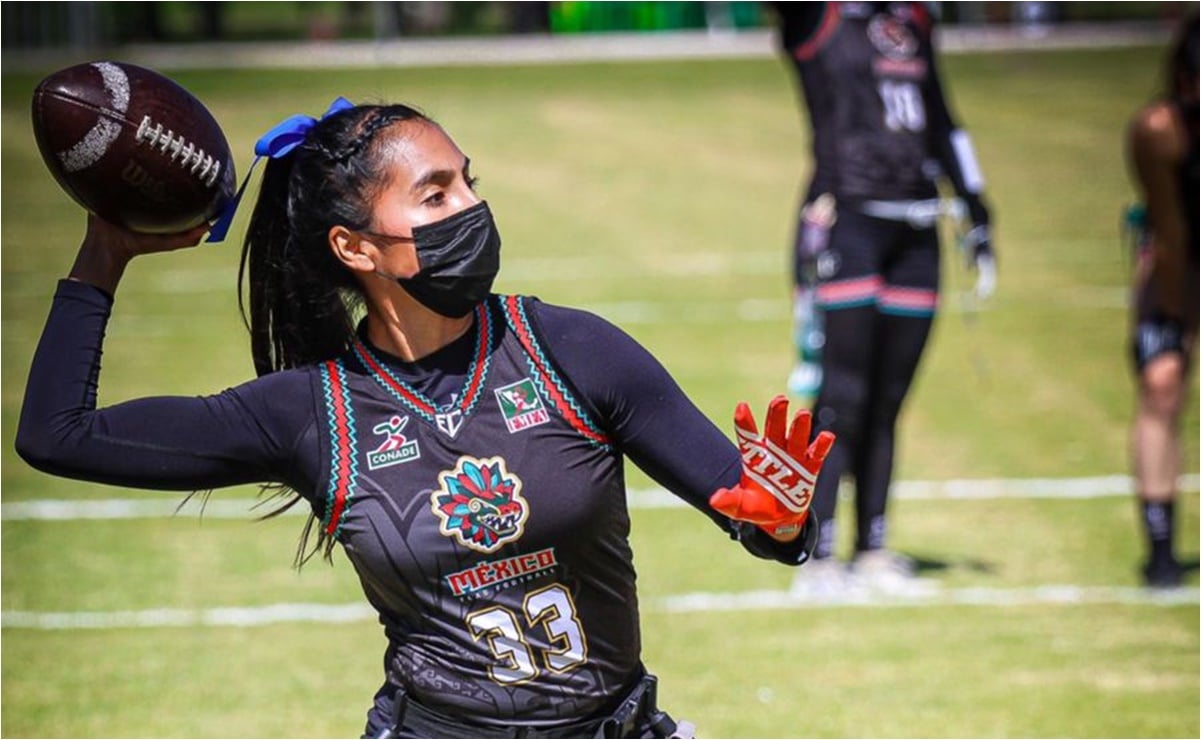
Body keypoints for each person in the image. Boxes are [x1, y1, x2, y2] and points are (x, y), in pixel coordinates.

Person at [16, 97, 836, 738]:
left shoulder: (571, 349)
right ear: (356, 248)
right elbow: (57, 435)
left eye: (469, 181)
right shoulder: (312, 411)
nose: (471, 207)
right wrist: (105, 252)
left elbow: (759, 520)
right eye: (436, 193)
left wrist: (778, 521)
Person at [769, 2, 995, 592]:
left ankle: (872, 546)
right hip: (848, 220)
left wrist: (975, 204)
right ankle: (815, 552)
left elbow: (942, 117)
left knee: (890, 397)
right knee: (842, 394)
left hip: (916, 227)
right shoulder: (817, 15)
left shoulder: (913, 17)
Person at [1124, 15, 1198, 589]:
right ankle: (1159, 547)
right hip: (1179, 256)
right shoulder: (1159, 129)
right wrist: (1178, 311)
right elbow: (1171, 231)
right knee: (1161, 381)